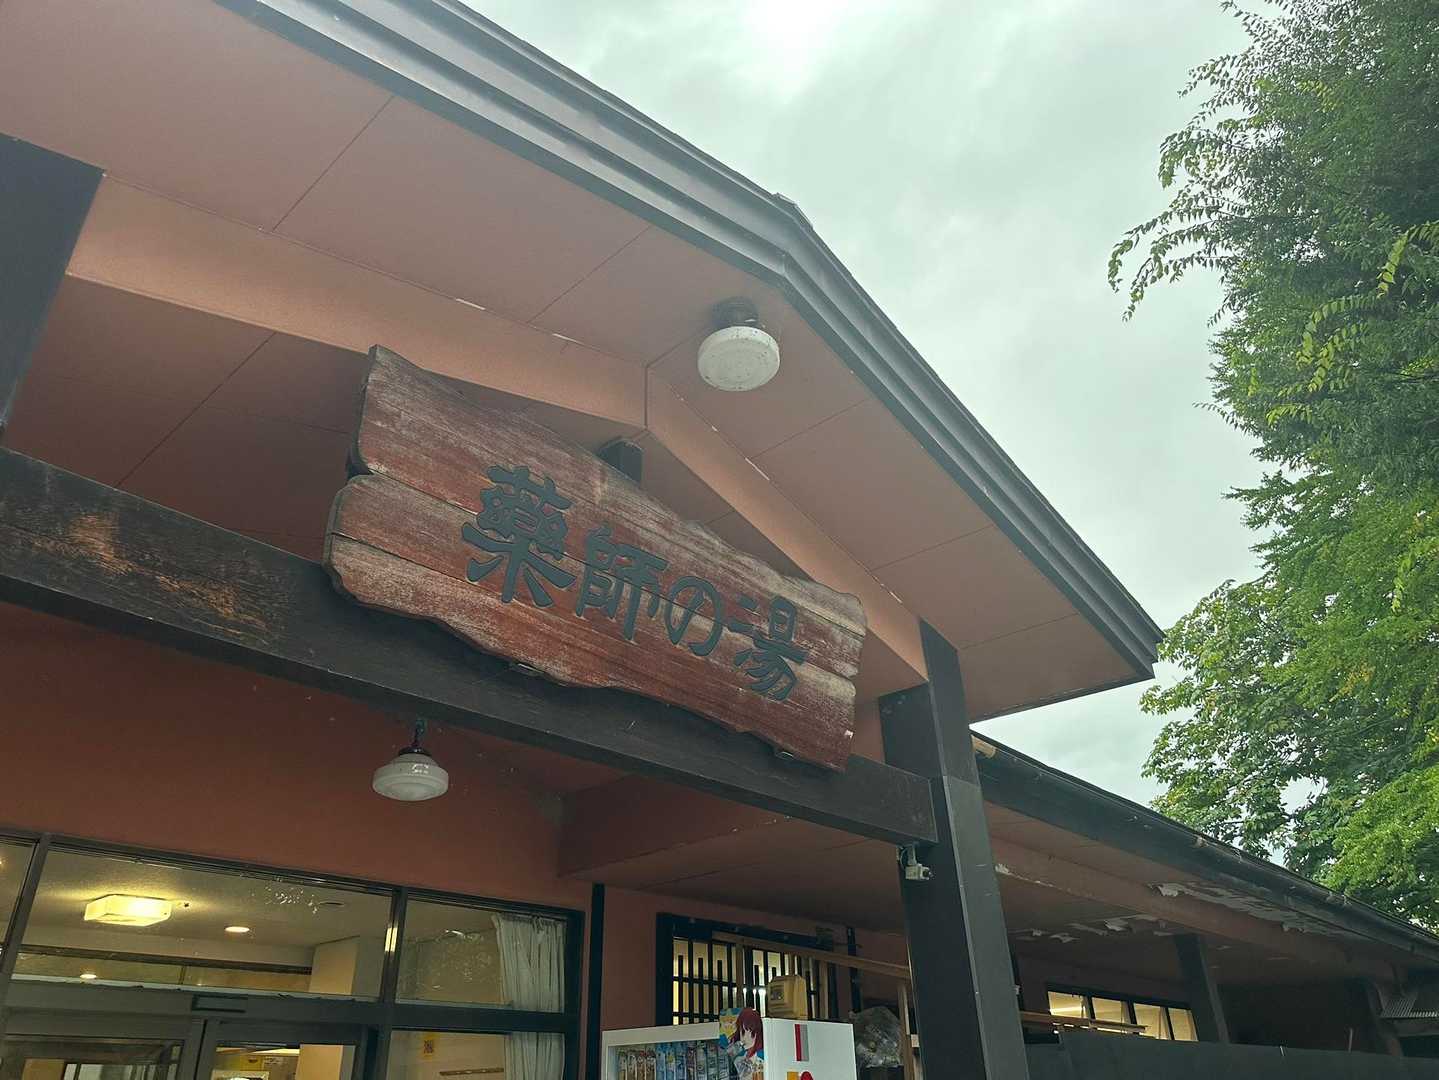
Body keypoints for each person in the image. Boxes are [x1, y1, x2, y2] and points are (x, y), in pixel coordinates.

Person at [732, 1008, 764, 1080]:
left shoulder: (764, 1057)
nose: (745, 1038)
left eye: (750, 1032)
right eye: (742, 1032)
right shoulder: (738, 1059)